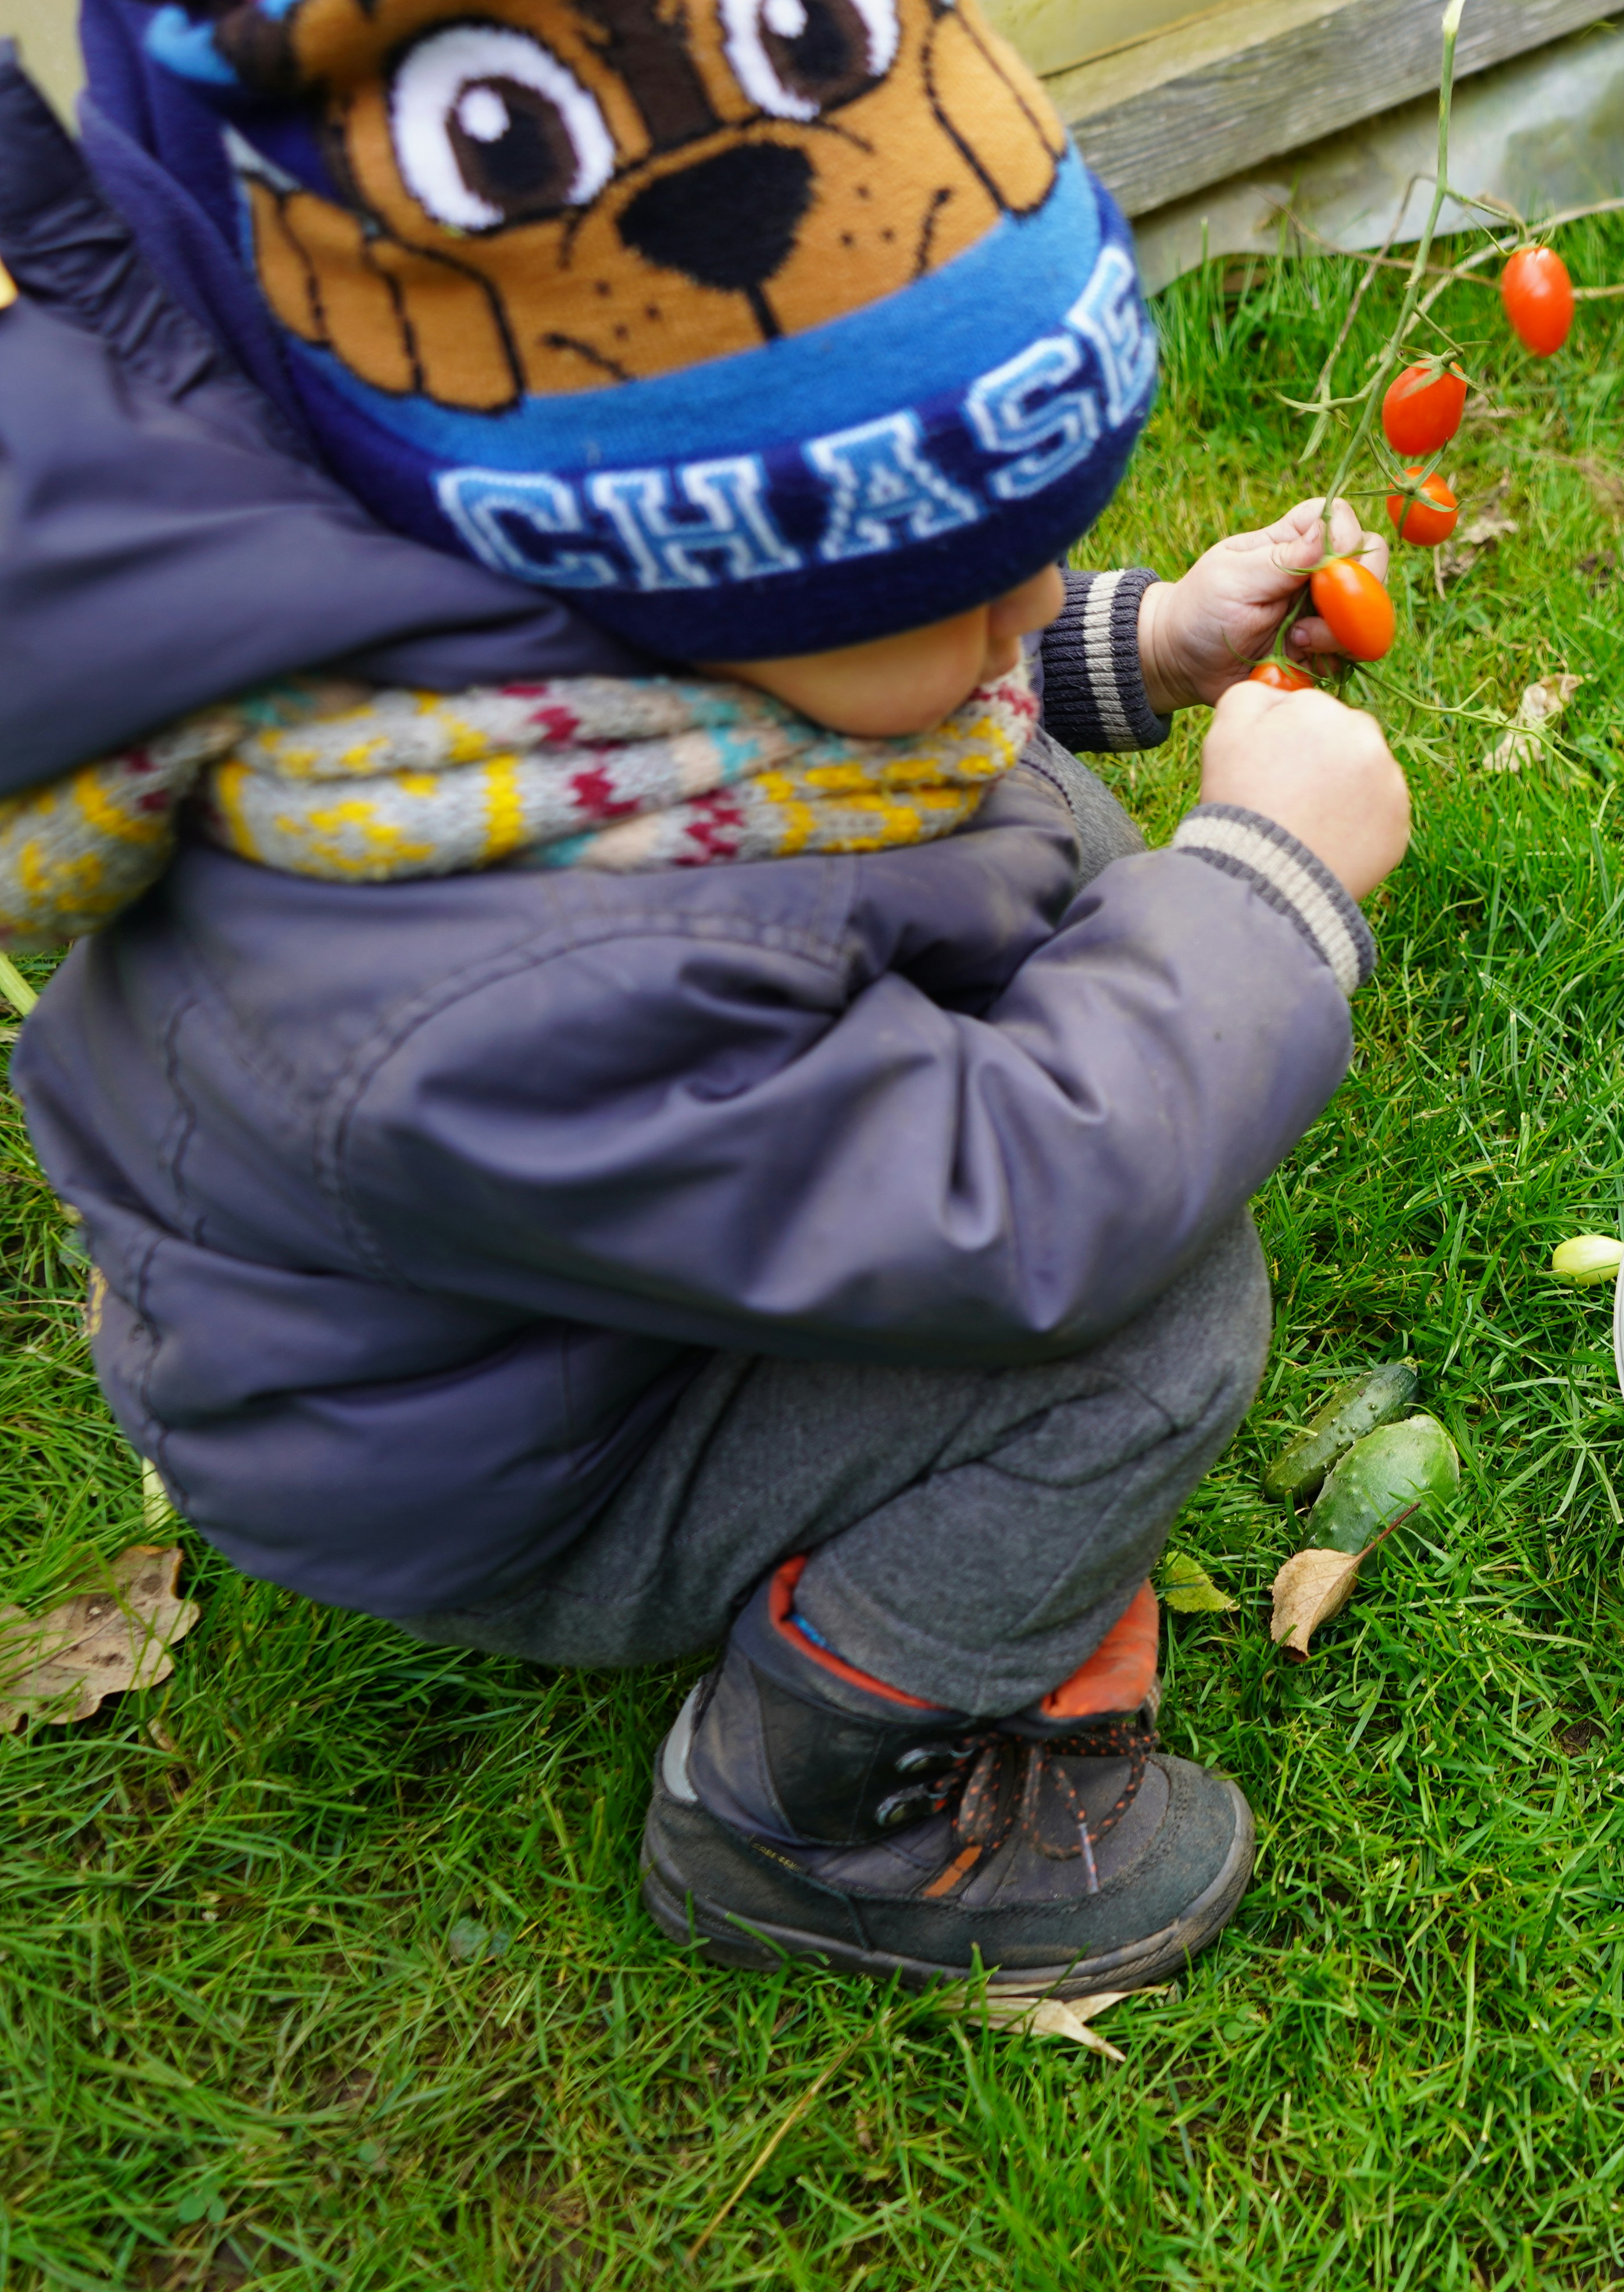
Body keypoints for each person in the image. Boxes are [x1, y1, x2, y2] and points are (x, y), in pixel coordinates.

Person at [0, 0, 1408, 1999]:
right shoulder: (495, 961)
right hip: (518, 1455)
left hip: (568, 1268)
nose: (1032, 605)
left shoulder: (539, 628)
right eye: (978, 592)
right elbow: (1008, 1207)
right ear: (700, 604)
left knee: (1038, 808)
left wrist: (1143, 646)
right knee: (1152, 1329)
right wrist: (1266, 893)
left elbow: (896, 727)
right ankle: (811, 1814)